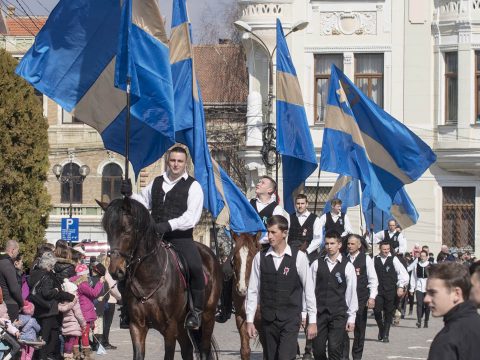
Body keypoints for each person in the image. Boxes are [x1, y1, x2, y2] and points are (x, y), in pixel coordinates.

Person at [122, 146, 205, 329]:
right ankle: (127, 310)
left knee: (195, 267)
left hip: (180, 237)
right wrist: (129, 195)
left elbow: (191, 217)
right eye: (173, 160)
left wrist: (168, 225)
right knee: (128, 263)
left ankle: (196, 312)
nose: (176, 164)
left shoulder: (194, 186)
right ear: (168, 161)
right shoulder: (157, 182)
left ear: (185, 164)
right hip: (154, 236)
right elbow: (144, 202)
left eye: (180, 161)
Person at [245, 215, 317, 360]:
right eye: (268, 232)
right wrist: (250, 320)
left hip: (290, 319)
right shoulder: (260, 258)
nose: (269, 236)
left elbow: (309, 290)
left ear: (284, 233)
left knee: (285, 357)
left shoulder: (299, 257)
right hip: (268, 319)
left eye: (273, 232)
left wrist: (313, 321)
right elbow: (253, 291)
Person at [310, 231, 358, 360]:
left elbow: (351, 294)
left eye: (332, 243)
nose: (329, 246)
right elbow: (309, 291)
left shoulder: (347, 266)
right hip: (320, 313)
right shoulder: (316, 264)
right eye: (326, 244)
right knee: (318, 350)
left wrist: (351, 317)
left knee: (334, 349)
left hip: (338, 314)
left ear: (339, 245)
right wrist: (307, 314)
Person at [425, 262, 480, 359]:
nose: (426, 299)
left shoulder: (447, 339)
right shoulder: (475, 323)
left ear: (456, 293)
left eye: (432, 293)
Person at [28, 252, 75, 360]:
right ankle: (44, 356)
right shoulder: (47, 275)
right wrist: (62, 293)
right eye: (52, 266)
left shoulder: (34, 273)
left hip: (37, 308)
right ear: (48, 265)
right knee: (46, 336)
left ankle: (46, 355)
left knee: (50, 333)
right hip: (48, 310)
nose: (52, 268)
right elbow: (47, 293)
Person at [342, 234, 378, 360]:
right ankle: (344, 356)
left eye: (352, 244)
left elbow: (373, 279)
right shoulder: (343, 258)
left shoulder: (366, 259)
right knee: (343, 330)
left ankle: (357, 356)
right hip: (344, 300)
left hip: (361, 299)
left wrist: (372, 297)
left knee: (359, 330)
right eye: (348, 244)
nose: (350, 246)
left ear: (359, 245)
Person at [373, 241, 409, 343]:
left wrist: (400, 286)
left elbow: (404, 274)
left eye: (388, 249)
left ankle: (386, 334)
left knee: (389, 312)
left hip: (390, 290)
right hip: (378, 290)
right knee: (376, 311)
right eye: (384, 249)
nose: (386, 251)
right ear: (380, 249)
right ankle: (381, 328)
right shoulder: (374, 259)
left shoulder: (394, 259)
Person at [70, 263, 105, 360]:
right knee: (85, 333)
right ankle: (86, 355)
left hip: (77, 310)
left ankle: (76, 353)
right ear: (83, 274)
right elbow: (94, 293)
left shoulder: (73, 282)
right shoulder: (82, 284)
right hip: (84, 311)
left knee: (77, 333)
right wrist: (100, 283)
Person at [288, 194, 322, 263]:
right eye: (298, 203)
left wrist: (306, 251)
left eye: (302, 203)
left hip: (309, 255)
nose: (300, 206)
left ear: (307, 204)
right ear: (295, 204)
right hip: (292, 255)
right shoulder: (289, 217)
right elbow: (286, 236)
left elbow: (318, 239)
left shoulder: (315, 219)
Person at [59, 279, 86, 360]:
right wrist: (83, 323)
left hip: (66, 323)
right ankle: (68, 356)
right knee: (71, 341)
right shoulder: (74, 300)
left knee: (67, 340)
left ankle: (67, 355)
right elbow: (78, 314)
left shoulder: (62, 301)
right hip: (73, 324)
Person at [0, 240, 24, 321]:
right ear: (13, 250)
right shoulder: (7, 264)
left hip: (3, 302)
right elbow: (14, 289)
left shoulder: (2, 262)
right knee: (13, 332)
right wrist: (21, 303)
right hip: (10, 303)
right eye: (17, 251)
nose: (17, 253)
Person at [409, 250, 431, 328]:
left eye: (424, 256)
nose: (422, 258)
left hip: (428, 287)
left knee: (427, 306)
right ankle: (419, 321)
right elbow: (413, 277)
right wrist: (412, 288)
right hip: (419, 286)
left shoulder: (430, 266)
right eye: (421, 256)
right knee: (419, 304)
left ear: (427, 257)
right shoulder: (416, 265)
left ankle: (426, 320)